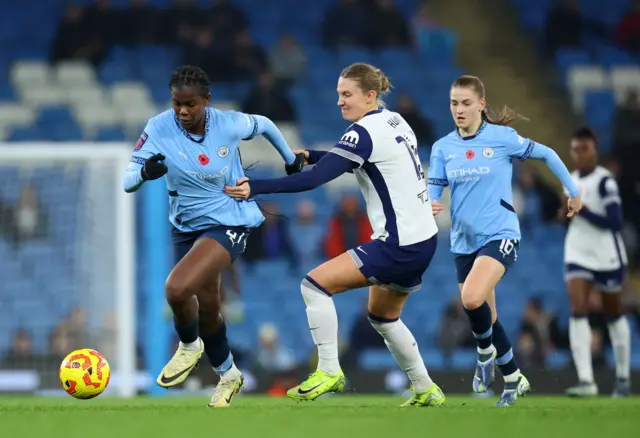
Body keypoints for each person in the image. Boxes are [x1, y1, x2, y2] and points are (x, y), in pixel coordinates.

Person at [225, 63, 446, 407]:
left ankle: (329, 370)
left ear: (370, 95)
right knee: (383, 316)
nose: (340, 102)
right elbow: (358, 160)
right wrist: (312, 155)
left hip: (397, 244)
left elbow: (315, 180)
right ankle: (425, 387)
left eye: (347, 95)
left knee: (313, 285)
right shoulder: (396, 120)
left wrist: (255, 186)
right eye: (338, 95)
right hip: (422, 240)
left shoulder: (362, 132)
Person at [122, 65, 304, 407]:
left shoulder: (228, 123)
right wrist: (145, 172)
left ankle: (189, 347)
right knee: (207, 308)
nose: (183, 111)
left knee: (176, 288)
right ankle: (230, 374)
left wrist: (291, 159)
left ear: (207, 100)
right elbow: (127, 179)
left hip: (230, 220)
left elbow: (264, 124)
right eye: (177, 103)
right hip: (186, 227)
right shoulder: (158, 127)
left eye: (190, 104)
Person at [427, 75, 583, 407]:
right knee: (487, 316)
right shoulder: (443, 147)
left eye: (466, 103)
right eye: (454, 103)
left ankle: (484, 355)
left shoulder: (501, 138)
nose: (459, 109)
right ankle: (513, 379)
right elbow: (434, 187)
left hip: (500, 234)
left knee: (470, 298)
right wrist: (431, 201)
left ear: (481, 105)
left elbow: (548, 154)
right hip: (463, 242)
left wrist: (574, 191)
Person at [563, 127, 630, 398]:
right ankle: (586, 381)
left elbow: (616, 222)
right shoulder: (568, 179)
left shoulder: (605, 182)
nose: (579, 155)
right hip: (578, 251)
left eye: (585, 149)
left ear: (594, 151)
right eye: (575, 150)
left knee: (613, 315)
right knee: (578, 309)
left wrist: (584, 211)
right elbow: (570, 216)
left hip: (606, 255)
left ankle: (623, 378)